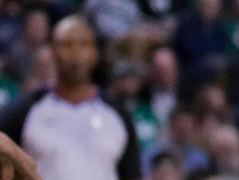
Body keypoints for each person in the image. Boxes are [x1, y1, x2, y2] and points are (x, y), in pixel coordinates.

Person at [0, 16, 140, 180]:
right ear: (52, 51)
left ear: (95, 53)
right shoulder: (25, 110)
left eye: (83, 45)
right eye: (66, 45)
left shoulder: (118, 114)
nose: (75, 54)